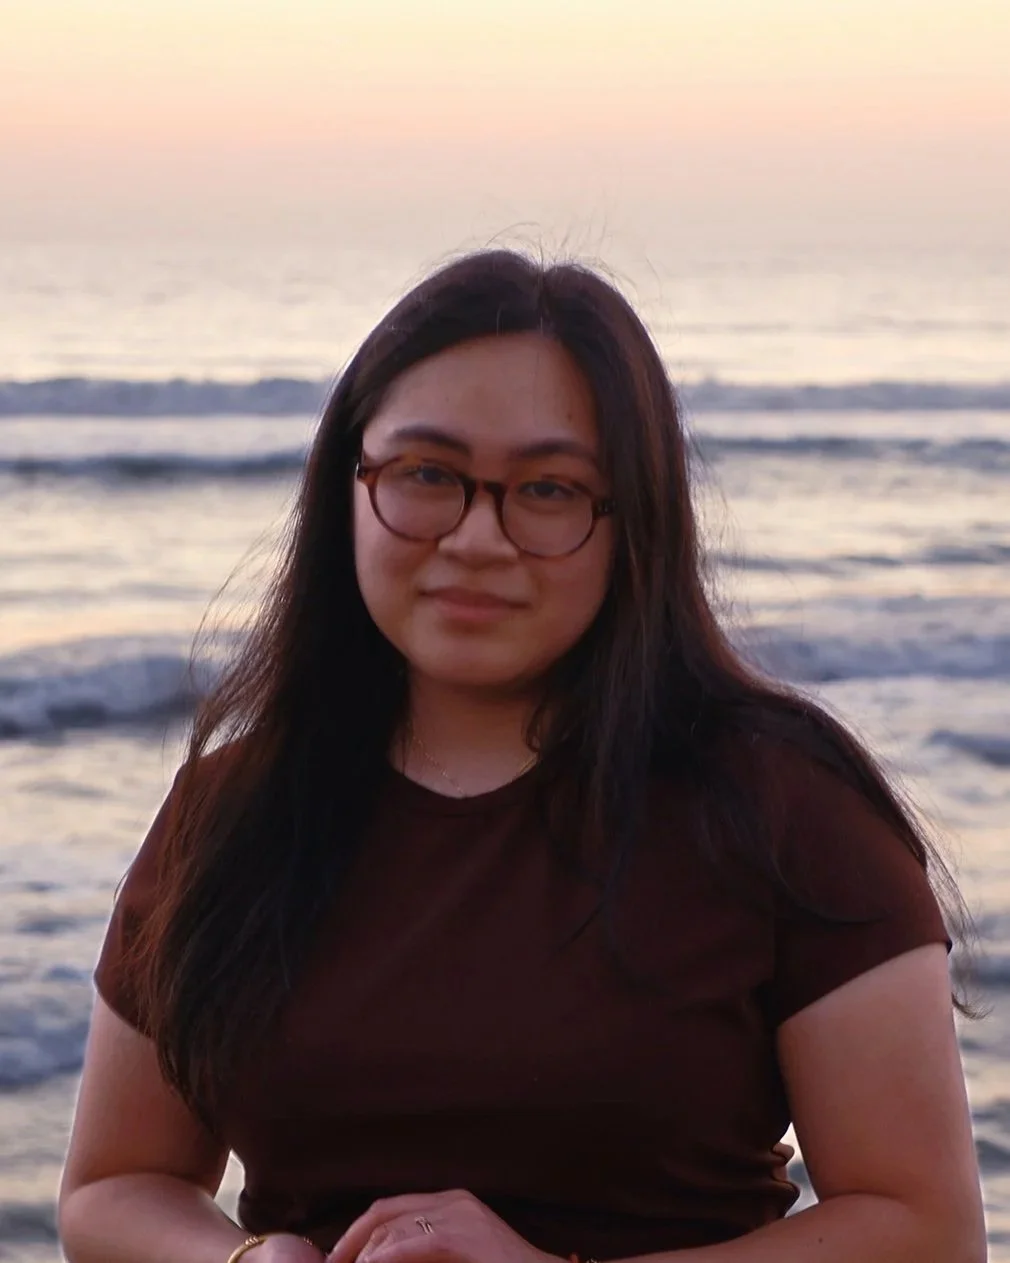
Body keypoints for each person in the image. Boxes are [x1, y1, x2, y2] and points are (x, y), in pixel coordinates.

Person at [59, 249, 987, 1263]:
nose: (475, 537)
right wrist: (248, 1261)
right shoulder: (234, 809)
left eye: (547, 490)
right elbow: (113, 1186)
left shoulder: (783, 807)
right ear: (347, 487)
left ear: (630, 522)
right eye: (426, 475)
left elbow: (923, 1228)